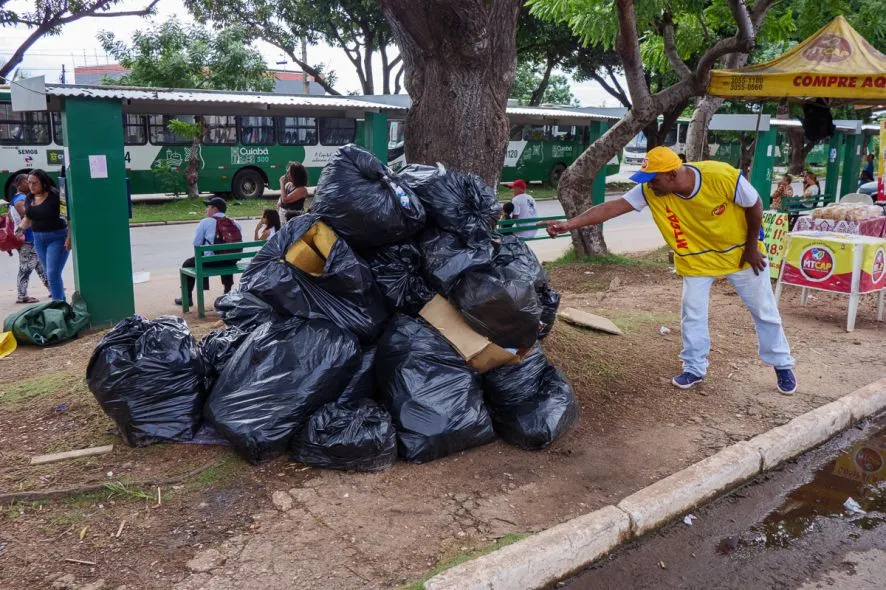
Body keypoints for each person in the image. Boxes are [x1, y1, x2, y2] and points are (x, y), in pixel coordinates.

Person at [543, 146, 797, 395]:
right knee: (693, 314)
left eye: (653, 180)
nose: (649, 186)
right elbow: (611, 208)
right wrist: (570, 224)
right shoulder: (651, 189)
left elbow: (755, 204)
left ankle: (782, 364)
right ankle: (695, 368)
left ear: (672, 175)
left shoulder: (721, 176)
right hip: (698, 260)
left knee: (764, 311)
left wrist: (752, 246)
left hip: (742, 254)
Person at [174, 197, 242, 307]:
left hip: (210, 261)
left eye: (208, 207)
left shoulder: (205, 222)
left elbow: (196, 244)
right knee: (226, 256)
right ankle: (227, 291)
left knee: (187, 264)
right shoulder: (234, 223)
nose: (206, 210)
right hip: (231, 260)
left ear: (215, 208)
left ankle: (187, 298)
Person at [15, 169, 70, 302]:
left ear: (43, 183)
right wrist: (20, 228)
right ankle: (61, 304)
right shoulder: (29, 198)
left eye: (35, 183)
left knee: (52, 274)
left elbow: (68, 219)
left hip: (57, 238)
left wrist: (69, 238)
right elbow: (28, 217)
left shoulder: (55, 196)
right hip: (38, 239)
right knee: (51, 274)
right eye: (29, 183)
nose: (31, 186)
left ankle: (56, 306)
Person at [8, 174, 49, 303]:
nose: (30, 184)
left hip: (31, 238)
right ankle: (22, 295)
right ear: (19, 184)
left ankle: (52, 288)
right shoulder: (20, 199)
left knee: (40, 265)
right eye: (27, 181)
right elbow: (28, 216)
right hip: (27, 239)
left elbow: (10, 217)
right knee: (25, 268)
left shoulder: (18, 198)